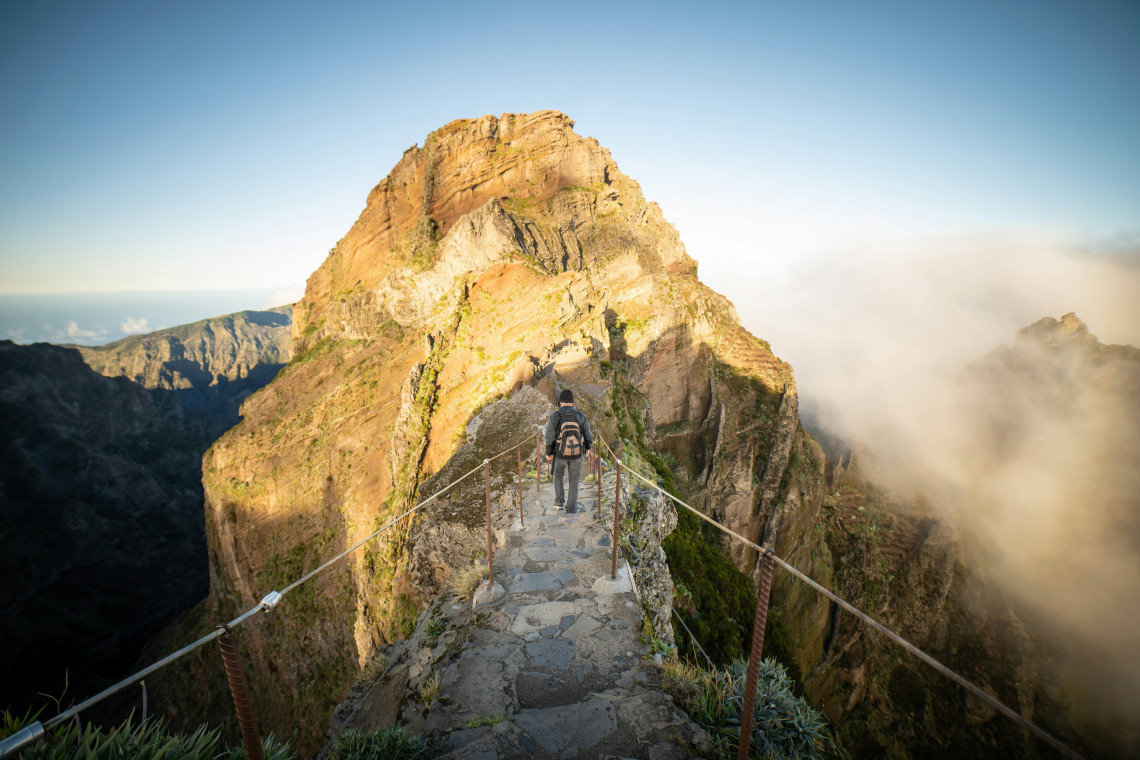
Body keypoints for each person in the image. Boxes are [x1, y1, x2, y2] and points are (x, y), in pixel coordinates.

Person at [545, 389, 593, 514]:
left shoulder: (555, 416)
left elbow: (549, 436)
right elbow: (588, 434)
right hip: (576, 453)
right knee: (574, 481)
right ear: (572, 402)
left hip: (560, 453)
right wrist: (587, 448)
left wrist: (549, 452)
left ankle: (559, 503)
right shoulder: (581, 416)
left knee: (558, 476)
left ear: (561, 402)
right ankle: (571, 508)